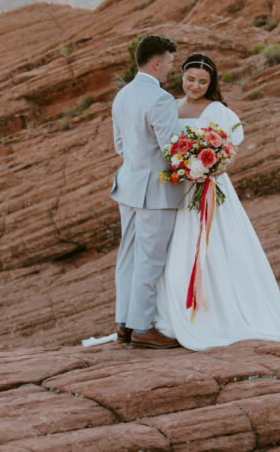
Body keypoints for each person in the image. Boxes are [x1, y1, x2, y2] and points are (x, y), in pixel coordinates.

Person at [152, 52, 280, 350]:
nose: (195, 86)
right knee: (174, 251)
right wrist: (181, 165)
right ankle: (172, 319)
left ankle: (214, 316)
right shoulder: (170, 106)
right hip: (178, 189)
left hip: (208, 189)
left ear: (210, 83)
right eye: (190, 79)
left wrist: (208, 166)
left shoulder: (217, 110)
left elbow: (228, 149)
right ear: (181, 77)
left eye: (202, 81)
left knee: (213, 249)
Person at [109, 35, 185, 348]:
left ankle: (124, 324)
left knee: (127, 255)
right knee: (150, 259)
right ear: (156, 62)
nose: (170, 68)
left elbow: (119, 145)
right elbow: (173, 148)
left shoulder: (122, 95)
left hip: (127, 185)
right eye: (169, 62)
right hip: (155, 190)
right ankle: (142, 328)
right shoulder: (160, 99)